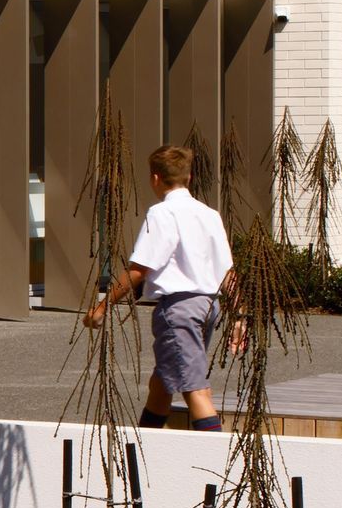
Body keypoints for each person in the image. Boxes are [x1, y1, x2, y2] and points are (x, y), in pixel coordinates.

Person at [83, 144, 238, 431]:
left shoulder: (162, 214)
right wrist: (240, 315)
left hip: (178, 309)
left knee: (195, 388)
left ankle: (217, 461)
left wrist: (102, 307)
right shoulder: (209, 214)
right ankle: (146, 445)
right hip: (207, 305)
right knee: (162, 383)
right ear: (189, 178)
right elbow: (228, 271)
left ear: (155, 178)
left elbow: (140, 269)